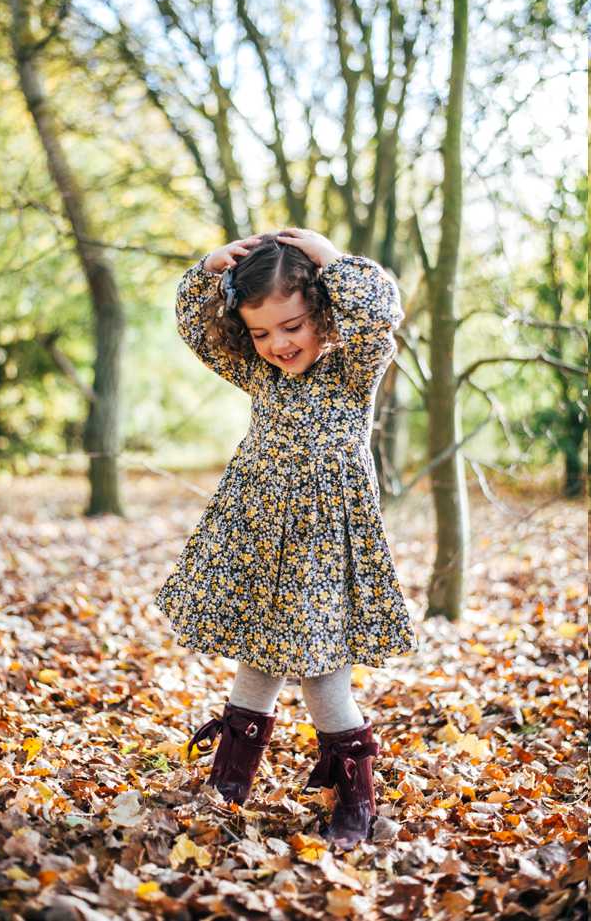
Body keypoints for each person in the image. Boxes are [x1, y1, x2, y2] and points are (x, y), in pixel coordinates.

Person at [156, 228, 414, 849]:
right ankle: (228, 787)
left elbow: (382, 310)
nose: (278, 344)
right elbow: (196, 330)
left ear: (323, 309)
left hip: (326, 541)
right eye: (262, 333)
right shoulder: (260, 374)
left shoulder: (353, 367)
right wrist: (207, 268)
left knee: (321, 675)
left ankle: (355, 793)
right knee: (259, 658)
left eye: (292, 327)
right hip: (260, 532)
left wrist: (332, 259)